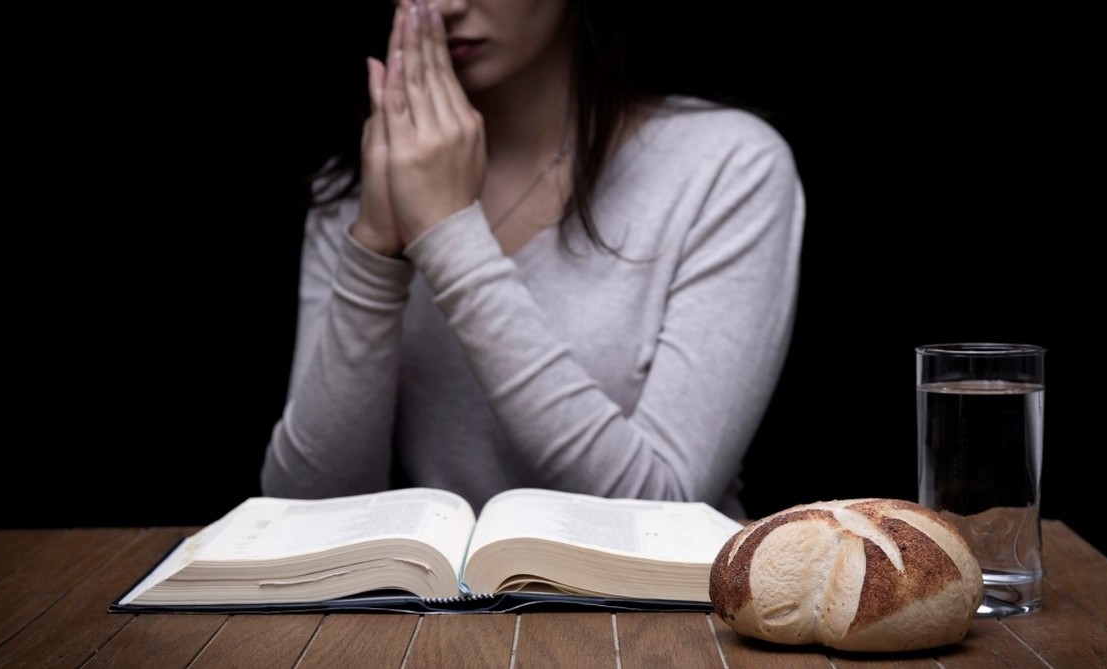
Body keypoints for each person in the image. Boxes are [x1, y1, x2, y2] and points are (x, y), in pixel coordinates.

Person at [260, 0, 805, 519]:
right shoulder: (368, 182)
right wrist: (376, 252)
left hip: (653, 614)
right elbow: (305, 511)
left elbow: (663, 505)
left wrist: (450, 238)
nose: (447, 5)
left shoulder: (726, 167)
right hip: (434, 610)